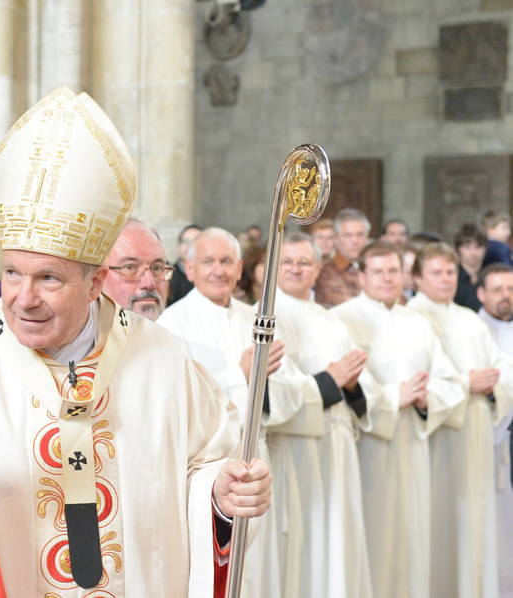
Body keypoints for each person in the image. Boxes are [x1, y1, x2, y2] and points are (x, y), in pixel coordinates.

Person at [0, 87, 271, 597]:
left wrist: (223, 498)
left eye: (48, 278)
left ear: (95, 283)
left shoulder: (162, 358)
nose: (23, 299)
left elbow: (208, 469)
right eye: (11, 274)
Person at [157, 227, 285, 598]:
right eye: (208, 261)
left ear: (240, 267)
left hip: (260, 455)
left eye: (226, 261)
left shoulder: (258, 318)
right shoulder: (172, 324)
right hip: (208, 473)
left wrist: (265, 382)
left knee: (262, 569)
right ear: (189, 268)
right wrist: (240, 376)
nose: (218, 270)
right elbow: (181, 399)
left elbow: (283, 393)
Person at [331, 241, 464, 598]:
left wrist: (425, 398)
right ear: (362, 275)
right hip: (368, 449)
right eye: (378, 271)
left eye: (393, 270)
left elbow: (447, 380)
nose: (387, 278)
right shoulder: (343, 318)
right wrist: (393, 397)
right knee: (373, 540)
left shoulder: (417, 322)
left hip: (415, 449)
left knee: (412, 541)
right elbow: (346, 383)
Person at [269, 232, 376, 598]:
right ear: (272, 267)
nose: (296, 269)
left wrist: (351, 386)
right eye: (288, 262)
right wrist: (331, 381)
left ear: (318, 269)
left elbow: (366, 389)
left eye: (304, 262)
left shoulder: (333, 322)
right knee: (307, 547)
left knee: (339, 546)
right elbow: (275, 394)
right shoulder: (267, 316)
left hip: (340, 450)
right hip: (300, 454)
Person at [407, 243, 513, 598]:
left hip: (478, 433)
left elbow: (501, 370)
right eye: (436, 272)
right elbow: (419, 377)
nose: (445, 279)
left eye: (451, 272)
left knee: (475, 523)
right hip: (440, 438)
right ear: (418, 277)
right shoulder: (412, 317)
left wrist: (491, 386)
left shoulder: (469, 318)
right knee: (442, 523)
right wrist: (468, 383)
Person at [475, 264, 513, 598]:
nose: (507, 296)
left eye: (511, 289)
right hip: (493, 439)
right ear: (481, 294)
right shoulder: (473, 331)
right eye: (498, 289)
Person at [102, 217, 171, 320]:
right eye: (130, 267)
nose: (149, 284)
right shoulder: (79, 335)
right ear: (97, 278)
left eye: (157, 268)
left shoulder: (176, 333)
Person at [313, 208, 370, 308]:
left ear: (367, 237)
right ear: (336, 239)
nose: (354, 241)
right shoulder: (321, 271)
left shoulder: (376, 268)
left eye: (360, 234)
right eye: (347, 235)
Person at [454, 223, 488, 311]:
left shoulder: (490, 277)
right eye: (467, 247)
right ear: (458, 249)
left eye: (478, 247)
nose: (473, 253)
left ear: (485, 248)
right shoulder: (451, 278)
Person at [168, 223, 202, 305]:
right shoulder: (168, 275)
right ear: (179, 246)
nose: (190, 246)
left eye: (196, 241)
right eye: (186, 241)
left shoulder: (211, 275)